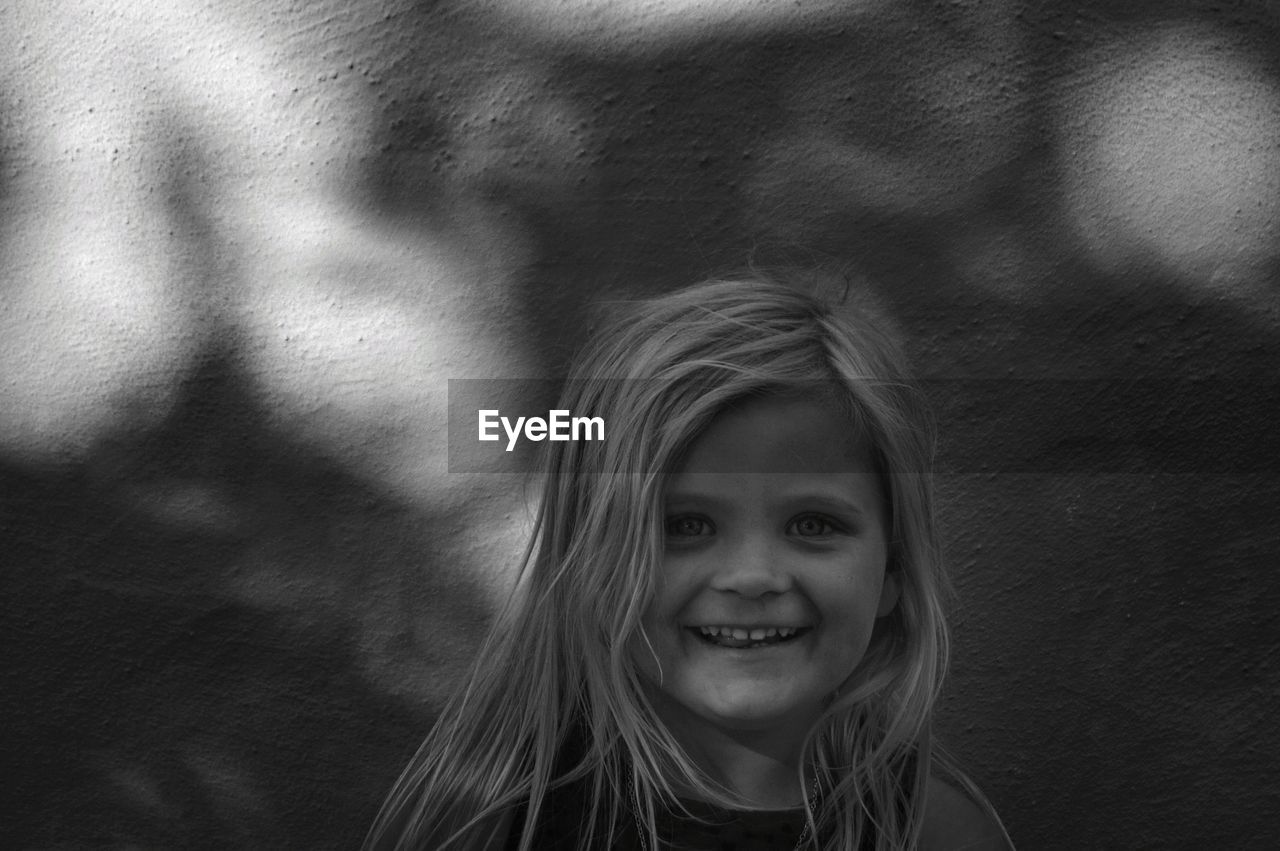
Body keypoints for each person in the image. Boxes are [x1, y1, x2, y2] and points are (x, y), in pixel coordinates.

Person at [365, 277, 1014, 850]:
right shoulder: (487, 826)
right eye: (685, 526)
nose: (754, 575)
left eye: (813, 525)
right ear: (590, 560)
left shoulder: (940, 833)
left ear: (893, 570)